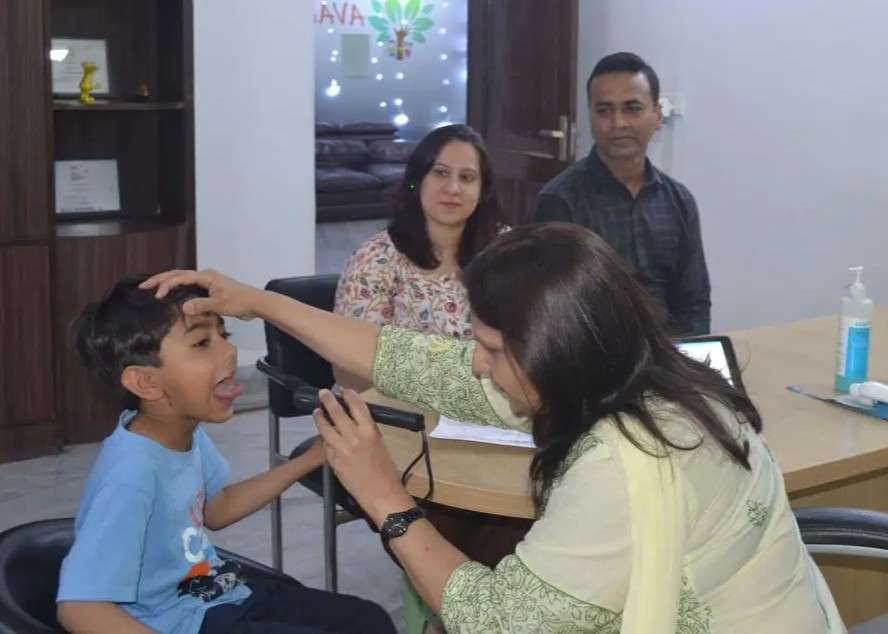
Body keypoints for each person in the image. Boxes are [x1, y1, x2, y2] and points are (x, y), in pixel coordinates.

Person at [142, 224, 843, 634]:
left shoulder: (619, 465)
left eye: (492, 348)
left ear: (552, 351)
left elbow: (498, 621)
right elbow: (410, 359)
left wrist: (385, 499)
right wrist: (261, 302)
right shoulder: (660, 380)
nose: (475, 363)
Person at [56, 275, 395, 634]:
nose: (229, 352)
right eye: (202, 342)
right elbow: (79, 608)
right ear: (146, 382)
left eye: (224, 335)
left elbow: (216, 508)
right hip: (183, 623)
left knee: (367, 620)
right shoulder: (130, 475)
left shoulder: (181, 434)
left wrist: (309, 459)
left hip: (220, 595)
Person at [533, 51, 712, 336]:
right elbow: (554, 312)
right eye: (604, 111)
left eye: (632, 109)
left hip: (670, 352)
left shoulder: (679, 201)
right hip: (595, 356)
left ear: (656, 115)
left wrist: (684, 358)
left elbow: (694, 303)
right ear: (591, 118)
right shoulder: (560, 202)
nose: (618, 123)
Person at [333, 123, 503, 348]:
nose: (453, 188)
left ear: (482, 191)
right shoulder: (376, 259)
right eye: (440, 173)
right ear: (417, 180)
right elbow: (350, 358)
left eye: (467, 177)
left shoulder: (505, 250)